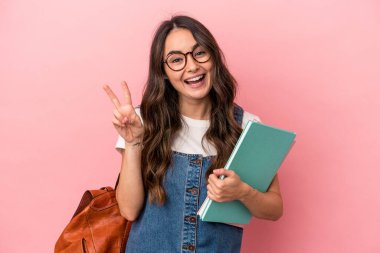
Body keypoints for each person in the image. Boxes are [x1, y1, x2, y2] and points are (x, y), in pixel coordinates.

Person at [103, 15, 283, 253]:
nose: (192, 66)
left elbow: (274, 209)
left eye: (199, 53)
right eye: (176, 59)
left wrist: (243, 192)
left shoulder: (246, 127)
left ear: (214, 58)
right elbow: (128, 209)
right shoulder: (142, 121)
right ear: (164, 71)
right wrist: (134, 141)